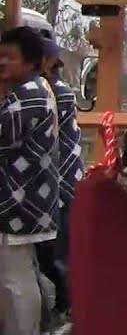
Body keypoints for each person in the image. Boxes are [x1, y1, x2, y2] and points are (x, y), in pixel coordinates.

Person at [0, 27, 61, 335]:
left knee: (15, 280)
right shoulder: (35, 90)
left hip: (18, 199)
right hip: (25, 196)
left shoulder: (27, 98)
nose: (2, 63)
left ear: (31, 62)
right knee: (18, 276)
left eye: (10, 58)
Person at [34, 35, 78, 324]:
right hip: (43, 183)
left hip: (57, 182)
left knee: (52, 255)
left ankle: (68, 304)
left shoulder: (54, 92)